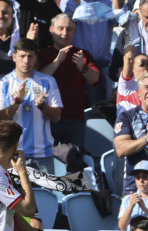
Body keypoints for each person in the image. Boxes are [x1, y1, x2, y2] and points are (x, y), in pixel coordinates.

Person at [0, 38, 62, 174]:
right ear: (14, 57)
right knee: (16, 195)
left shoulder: (48, 81)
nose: (26, 61)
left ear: (36, 57)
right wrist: (17, 101)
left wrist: (42, 106)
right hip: (13, 155)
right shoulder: (2, 84)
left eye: (30, 56)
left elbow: (57, 117)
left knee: (46, 195)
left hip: (43, 155)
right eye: (22, 56)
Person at [37, 13, 101, 148]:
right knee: (47, 164)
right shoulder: (41, 54)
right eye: (60, 28)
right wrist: (56, 62)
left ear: (74, 32)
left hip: (75, 120)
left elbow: (96, 80)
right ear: (51, 30)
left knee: (76, 163)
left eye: (69, 29)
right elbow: (36, 80)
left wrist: (83, 68)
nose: (64, 33)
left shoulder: (82, 54)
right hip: (46, 118)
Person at [59, 0, 123, 87]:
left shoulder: (107, 2)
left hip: (103, 65)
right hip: (76, 64)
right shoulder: (66, 1)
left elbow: (120, 14)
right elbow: (70, 14)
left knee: (102, 104)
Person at [115, 73, 148, 196]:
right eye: (147, 87)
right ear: (139, 93)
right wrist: (146, 139)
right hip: (134, 188)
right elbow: (120, 149)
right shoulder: (126, 117)